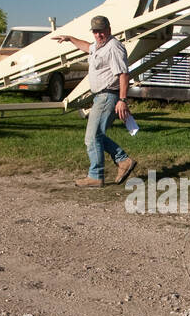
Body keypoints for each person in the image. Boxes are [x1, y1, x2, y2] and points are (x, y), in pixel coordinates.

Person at [55, 15, 136, 188]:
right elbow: (87, 47)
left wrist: (122, 99)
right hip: (101, 96)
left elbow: (123, 74)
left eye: (101, 31)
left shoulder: (113, 47)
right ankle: (123, 161)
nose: (98, 35)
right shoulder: (99, 46)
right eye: (96, 31)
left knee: (92, 137)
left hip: (108, 96)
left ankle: (96, 176)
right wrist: (70, 39)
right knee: (97, 135)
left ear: (109, 29)